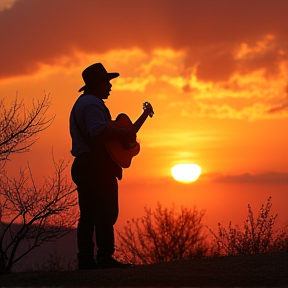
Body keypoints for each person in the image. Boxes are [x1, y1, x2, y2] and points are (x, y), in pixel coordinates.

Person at [69, 63, 153, 269]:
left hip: (85, 164)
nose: (110, 86)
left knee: (88, 215)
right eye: (107, 81)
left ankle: (86, 260)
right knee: (105, 213)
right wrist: (124, 134)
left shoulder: (83, 103)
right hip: (95, 166)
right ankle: (105, 258)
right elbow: (98, 131)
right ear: (97, 84)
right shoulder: (93, 104)